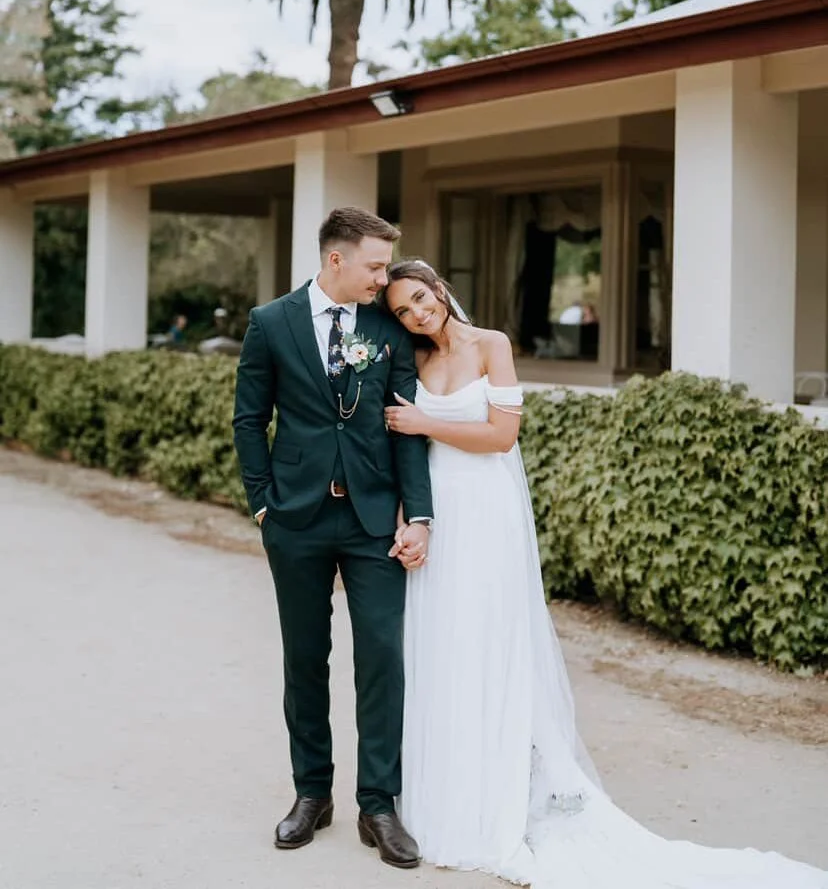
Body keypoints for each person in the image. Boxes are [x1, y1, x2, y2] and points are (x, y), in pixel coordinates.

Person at [381, 259, 828, 889]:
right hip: (439, 513)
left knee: (491, 643)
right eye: (402, 311)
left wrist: (426, 421)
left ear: (439, 289)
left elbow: (502, 436)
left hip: (485, 509)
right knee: (443, 647)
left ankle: (504, 793)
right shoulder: (415, 360)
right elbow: (406, 451)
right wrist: (410, 518)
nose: (416, 314)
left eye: (420, 299)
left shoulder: (491, 345)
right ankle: (449, 794)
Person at [232, 209, 433, 870]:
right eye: (375, 265)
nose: (383, 278)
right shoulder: (271, 323)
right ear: (336, 259)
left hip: (375, 520)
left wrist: (419, 515)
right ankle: (312, 793)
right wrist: (263, 503)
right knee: (304, 658)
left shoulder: (386, 328)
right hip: (296, 518)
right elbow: (249, 419)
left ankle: (378, 803)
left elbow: (406, 425)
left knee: (382, 657)